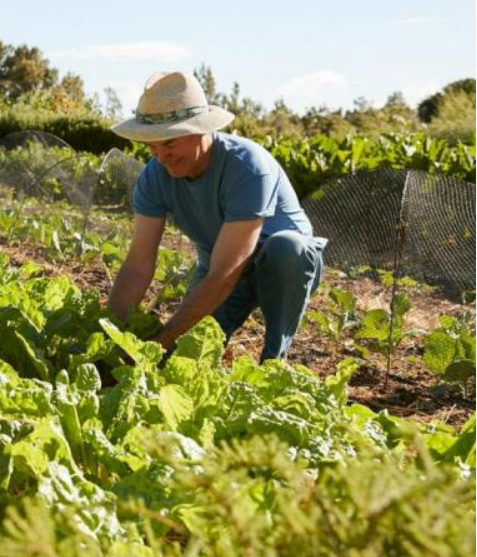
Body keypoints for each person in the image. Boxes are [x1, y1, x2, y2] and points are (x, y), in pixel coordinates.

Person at [107, 71, 327, 361]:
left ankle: (274, 363)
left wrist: (157, 345)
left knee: (286, 248)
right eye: (152, 145)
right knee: (182, 358)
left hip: (279, 264)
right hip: (218, 268)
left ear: (199, 130)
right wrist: (108, 337)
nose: (161, 156)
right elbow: (137, 266)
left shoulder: (247, 166)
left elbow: (225, 273)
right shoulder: (154, 177)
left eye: (170, 143)